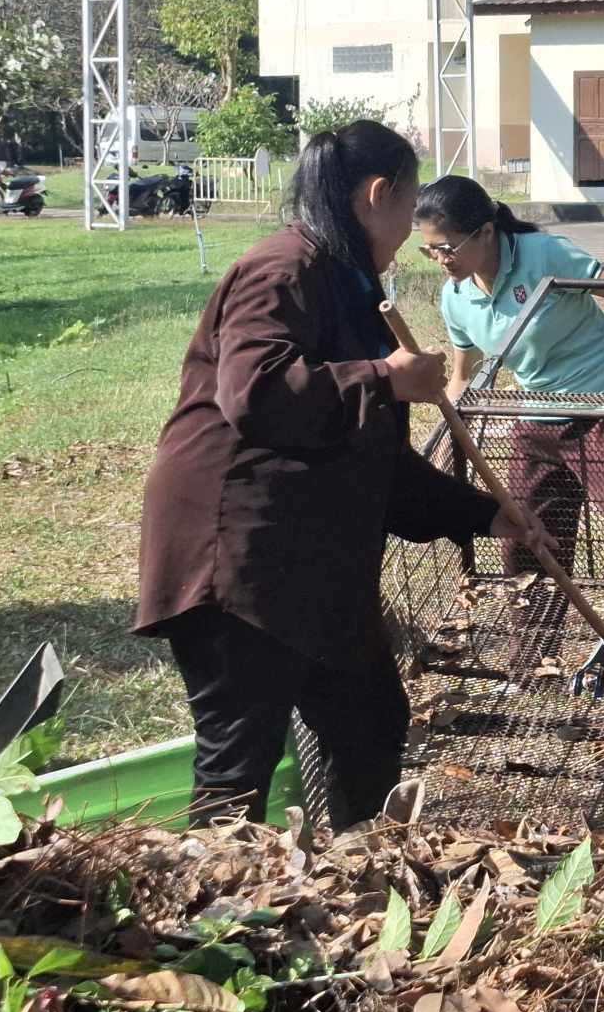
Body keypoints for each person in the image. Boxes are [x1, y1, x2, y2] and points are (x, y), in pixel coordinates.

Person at [135, 121, 543, 831]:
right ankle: (214, 927)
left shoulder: (350, 286)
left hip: (313, 565)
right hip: (241, 561)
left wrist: (485, 515)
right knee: (238, 769)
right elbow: (255, 391)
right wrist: (382, 377)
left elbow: (374, 457)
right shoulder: (283, 268)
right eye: (410, 206)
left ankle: (358, 881)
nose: (413, 234)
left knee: (369, 724)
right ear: (378, 194)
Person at [414, 176, 604, 659]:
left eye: (447, 248)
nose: (442, 261)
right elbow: (464, 374)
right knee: (524, 536)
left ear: (485, 232)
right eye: (430, 251)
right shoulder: (456, 297)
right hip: (538, 414)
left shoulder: (543, 254)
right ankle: (535, 658)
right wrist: (448, 427)